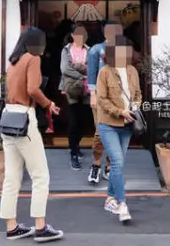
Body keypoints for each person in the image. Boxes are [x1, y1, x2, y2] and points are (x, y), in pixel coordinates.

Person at [0, 27, 64, 242]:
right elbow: (33, 89)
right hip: (24, 118)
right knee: (40, 175)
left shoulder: (14, 60)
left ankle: (11, 227)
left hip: (7, 117)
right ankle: (40, 226)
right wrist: (49, 104)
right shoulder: (32, 59)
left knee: (11, 177)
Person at [96, 37, 142, 223]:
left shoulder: (132, 71)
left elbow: (137, 94)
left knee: (119, 163)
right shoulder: (104, 72)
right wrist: (120, 111)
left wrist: (135, 107)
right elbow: (102, 99)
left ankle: (109, 199)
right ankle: (122, 203)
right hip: (108, 123)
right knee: (116, 161)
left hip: (127, 124)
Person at [86, 22, 123, 184]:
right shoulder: (96, 49)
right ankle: (95, 164)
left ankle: (109, 166)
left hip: (118, 98)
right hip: (100, 98)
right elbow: (91, 73)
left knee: (115, 132)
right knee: (100, 131)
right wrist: (92, 94)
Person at [60, 24, 90, 170]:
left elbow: (92, 67)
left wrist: (77, 67)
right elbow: (65, 69)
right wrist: (82, 74)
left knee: (84, 121)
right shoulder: (66, 50)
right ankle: (73, 153)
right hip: (71, 89)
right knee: (73, 121)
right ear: (72, 35)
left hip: (86, 90)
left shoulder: (89, 50)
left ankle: (76, 145)